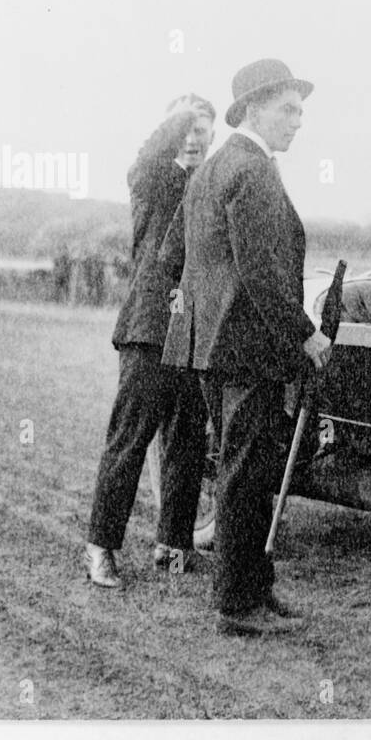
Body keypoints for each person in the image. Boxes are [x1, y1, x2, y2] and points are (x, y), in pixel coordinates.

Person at [159, 59, 331, 637]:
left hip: (213, 348)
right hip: (247, 350)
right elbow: (260, 272)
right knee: (245, 472)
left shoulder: (211, 169)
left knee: (244, 468)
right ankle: (238, 603)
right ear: (254, 109)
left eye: (302, 111)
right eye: (289, 109)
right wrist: (305, 333)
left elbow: (191, 261)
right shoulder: (253, 171)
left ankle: (255, 584)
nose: (299, 121)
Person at [83, 95, 215, 589]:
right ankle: (100, 547)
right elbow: (149, 153)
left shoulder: (210, 184)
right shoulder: (152, 179)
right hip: (148, 328)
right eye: (185, 127)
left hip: (194, 332)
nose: (194, 137)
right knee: (131, 439)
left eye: (203, 129)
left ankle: (173, 545)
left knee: (185, 442)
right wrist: (180, 117)